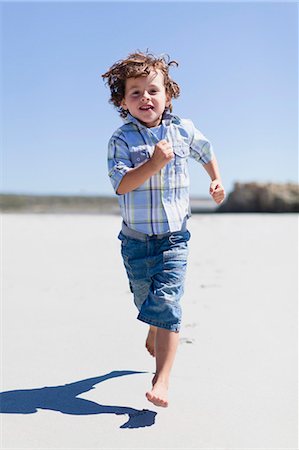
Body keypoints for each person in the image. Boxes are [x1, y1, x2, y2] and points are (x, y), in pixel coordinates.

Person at [102, 51, 225, 408]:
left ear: (167, 95)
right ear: (122, 101)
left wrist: (216, 180)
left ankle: (162, 379)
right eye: (135, 92)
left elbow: (206, 150)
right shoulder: (121, 139)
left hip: (174, 239)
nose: (145, 98)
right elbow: (122, 185)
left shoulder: (182, 129)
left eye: (152, 90)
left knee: (168, 303)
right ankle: (154, 326)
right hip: (136, 242)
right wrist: (155, 163)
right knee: (146, 301)